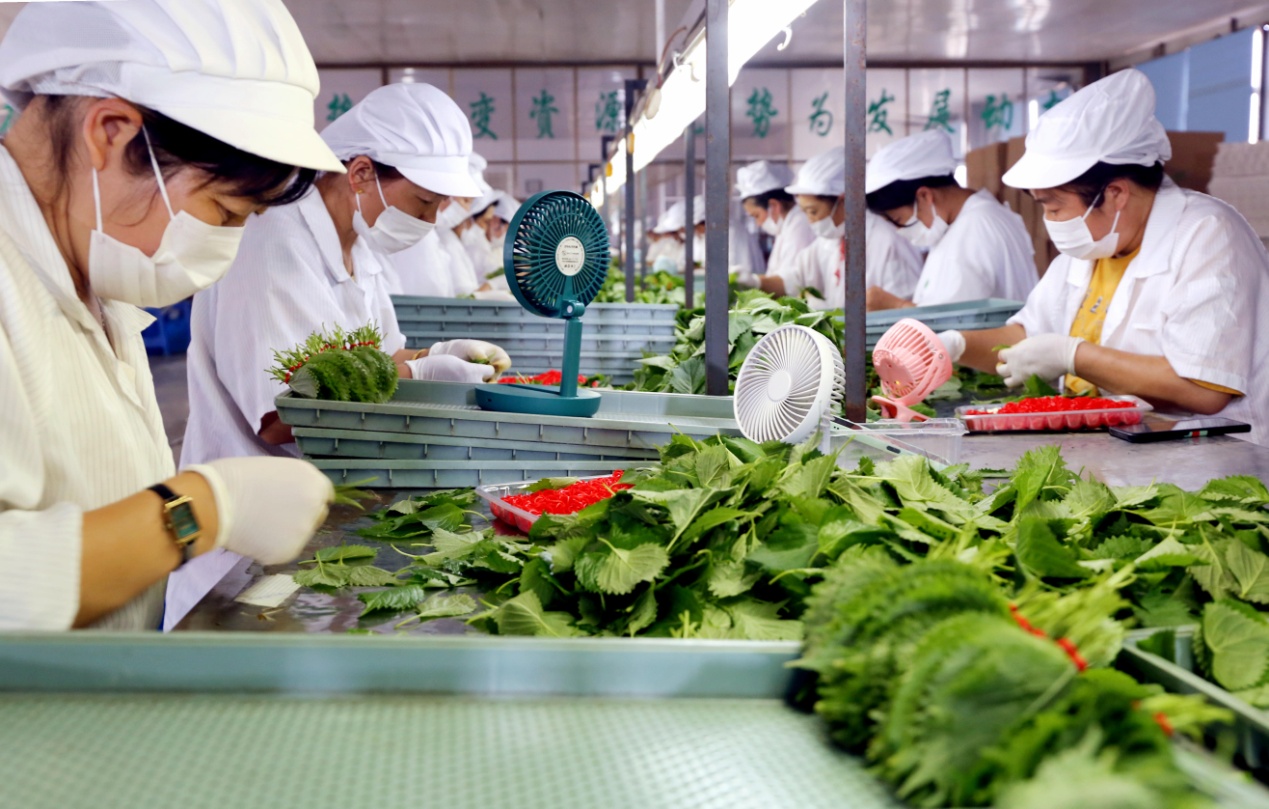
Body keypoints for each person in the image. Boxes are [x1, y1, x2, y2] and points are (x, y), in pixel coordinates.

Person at [0, 0, 342, 630]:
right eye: (224, 212)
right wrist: (200, 509)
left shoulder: (92, 274)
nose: (226, 245)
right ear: (111, 132)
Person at [184, 82, 512, 469]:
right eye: (424, 202)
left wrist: (435, 355)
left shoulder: (359, 243)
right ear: (360, 174)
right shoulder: (272, 239)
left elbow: (381, 355)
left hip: (330, 478)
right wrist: (415, 373)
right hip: (252, 492)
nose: (430, 221)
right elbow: (280, 416)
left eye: (440, 205)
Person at [938, 69, 1269, 443]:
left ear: (1115, 194)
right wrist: (953, 345)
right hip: (1119, 452)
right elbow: (1027, 334)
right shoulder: (1092, 246)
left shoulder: (1207, 235)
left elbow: (1204, 390)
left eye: (1055, 207)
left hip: (1218, 462)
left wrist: (1074, 356)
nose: (1050, 220)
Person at [865, 129, 1036, 310]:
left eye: (898, 219)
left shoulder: (977, 228)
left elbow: (956, 325)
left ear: (924, 196)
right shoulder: (962, 223)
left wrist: (895, 305)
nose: (899, 229)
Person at [770, 146, 923, 309]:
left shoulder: (887, 240)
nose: (810, 221)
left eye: (813, 212)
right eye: (805, 212)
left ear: (844, 201)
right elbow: (796, 278)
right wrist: (755, 282)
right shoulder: (831, 240)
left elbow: (905, 313)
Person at [734, 160, 815, 285]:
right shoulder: (786, 227)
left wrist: (756, 283)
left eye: (756, 215)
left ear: (774, 206)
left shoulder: (799, 226)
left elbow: (790, 284)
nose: (759, 223)